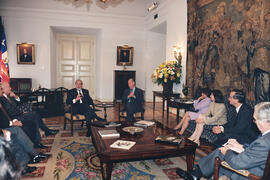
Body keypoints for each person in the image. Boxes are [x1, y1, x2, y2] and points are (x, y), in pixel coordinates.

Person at [176, 102, 270, 180]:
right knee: (220, 152)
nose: (254, 122)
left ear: (262, 121)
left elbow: (237, 163)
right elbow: (257, 153)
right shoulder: (266, 137)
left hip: (251, 174)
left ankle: (196, 174)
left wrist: (227, 151)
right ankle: (196, 174)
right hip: (254, 164)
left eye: (255, 120)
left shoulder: (264, 142)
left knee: (221, 155)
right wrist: (241, 147)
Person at [1, 82, 59, 149]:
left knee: (34, 115)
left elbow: (19, 103)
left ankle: (39, 139)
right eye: (9, 87)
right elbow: (9, 112)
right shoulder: (2, 99)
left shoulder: (9, 96)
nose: (10, 88)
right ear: (3, 89)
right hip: (14, 118)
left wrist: (15, 96)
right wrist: (21, 114)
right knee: (34, 115)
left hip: (19, 115)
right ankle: (44, 133)